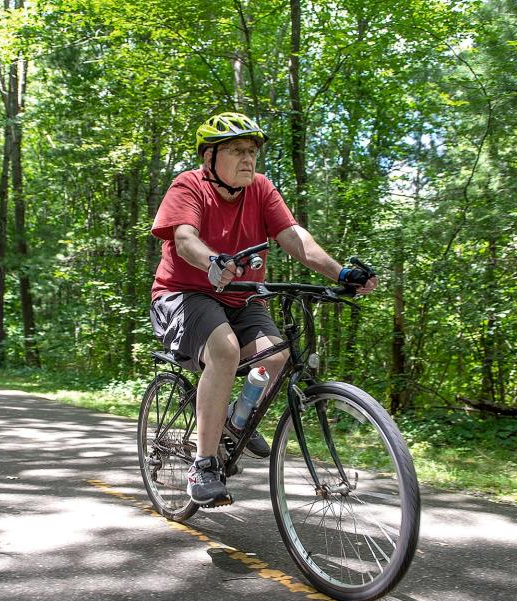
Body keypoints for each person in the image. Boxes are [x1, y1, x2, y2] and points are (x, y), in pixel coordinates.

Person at [149, 112, 377, 505]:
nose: (248, 158)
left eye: (252, 151)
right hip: (183, 294)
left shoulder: (261, 189)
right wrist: (213, 261)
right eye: (237, 150)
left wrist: (340, 274)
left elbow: (293, 237)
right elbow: (185, 239)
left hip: (242, 298)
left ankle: (236, 421)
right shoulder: (188, 185)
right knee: (224, 348)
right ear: (209, 159)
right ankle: (202, 465)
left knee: (278, 357)